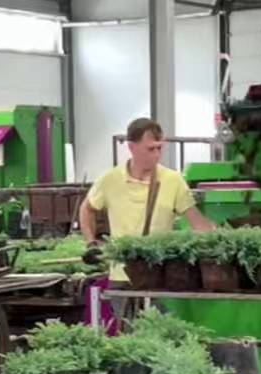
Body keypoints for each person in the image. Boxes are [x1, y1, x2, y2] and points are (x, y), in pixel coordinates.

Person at [79, 117, 213, 281]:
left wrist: (217, 239)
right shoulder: (110, 180)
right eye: (150, 149)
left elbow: (198, 224)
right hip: (121, 278)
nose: (157, 155)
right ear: (131, 147)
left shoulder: (172, 180)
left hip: (159, 277)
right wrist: (91, 243)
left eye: (159, 148)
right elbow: (87, 209)